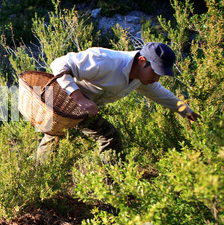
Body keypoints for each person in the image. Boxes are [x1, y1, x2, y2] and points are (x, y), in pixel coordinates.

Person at [37, 42, 201, 163]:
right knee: (107, 136)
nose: (157, 78)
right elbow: (58, 63)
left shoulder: (140, 78)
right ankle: (113, 183)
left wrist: (187, 111)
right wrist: (79, 98)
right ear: (142, 61)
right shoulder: (105, 60)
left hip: (84, 111)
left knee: (56, 137)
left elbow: (163, 95)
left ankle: (38, 173)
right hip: (60, 100)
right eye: (155, 72)